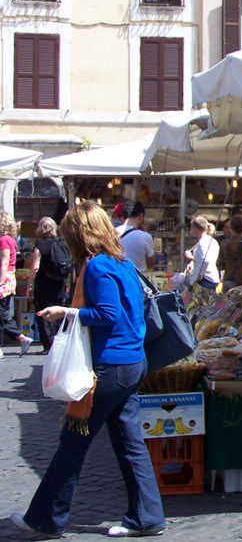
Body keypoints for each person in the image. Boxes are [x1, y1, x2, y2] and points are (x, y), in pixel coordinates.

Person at [10, 201, 165, 538]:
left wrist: (67, 313)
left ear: (78, 236)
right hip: (131, 362)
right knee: (130, 443)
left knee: (73, 443)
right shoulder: (122, 262)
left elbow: (107, 314)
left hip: (111, 366)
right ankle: (147, 517)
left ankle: (46, 519)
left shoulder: (96, 267)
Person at [27, 217, 71, 353]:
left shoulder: (40, 244)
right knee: (59, 311)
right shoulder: (63, 243)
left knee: (43, 312)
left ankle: (48, 345)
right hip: (60, 283)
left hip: (44, 284)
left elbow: (35, 266)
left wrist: (29, 286)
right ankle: (60, 342)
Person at [0, 212, 33, 357]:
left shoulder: (3, 240)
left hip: (4, 280)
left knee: (1, 314)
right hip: (9, 279)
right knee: (4, 314)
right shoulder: (11, 240)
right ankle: (21, 338)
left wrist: (0, 282)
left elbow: (4, 262)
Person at [217, 214, 242, 291]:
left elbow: (219, 263)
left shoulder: (223, 243)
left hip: (227, 279)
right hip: (241, 281)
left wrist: (218, 278)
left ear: (231, 228)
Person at [115, 201, 155, 272]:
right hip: (137, 280)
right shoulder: (145, 237)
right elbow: (151, 263)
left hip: (118, 278)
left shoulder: (112, 233)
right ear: (140, 216)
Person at [186, 216, 220, 290]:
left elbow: (205, 260)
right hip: (212, 276)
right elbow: (202, 258)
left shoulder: (203, 242)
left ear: (195, 228)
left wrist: (200, 275)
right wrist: (192, 262)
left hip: (205, 279)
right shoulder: (212, 241)